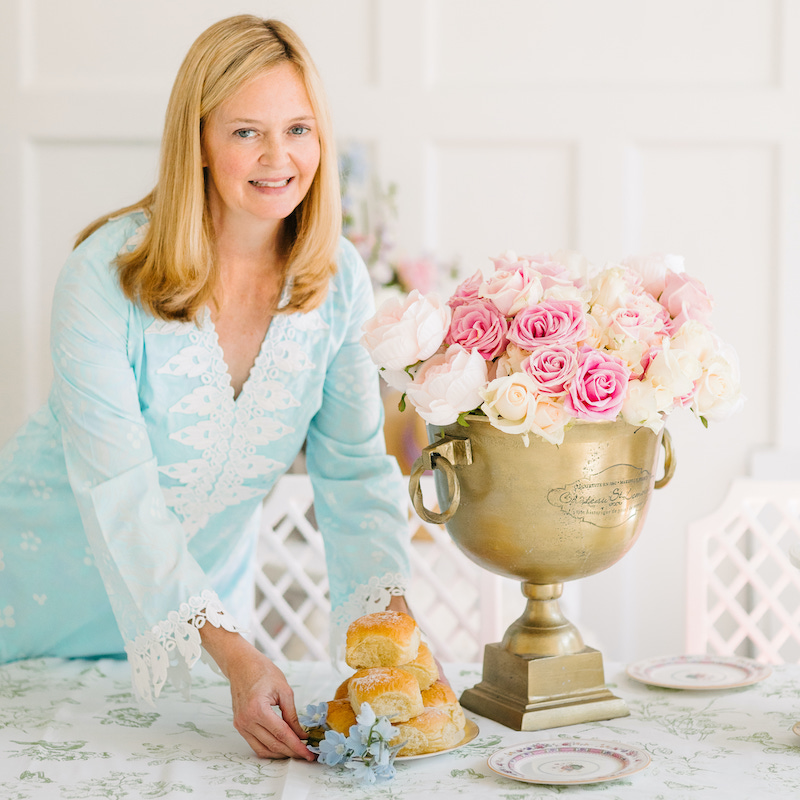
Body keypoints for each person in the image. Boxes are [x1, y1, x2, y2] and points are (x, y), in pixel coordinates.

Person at [0, 15, 414, 761]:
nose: (278, 157)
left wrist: (394, 632)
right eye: (246, 132)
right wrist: (235, 654)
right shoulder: (100, 279)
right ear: (195, 140)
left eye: (299, 129)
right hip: (30, 622)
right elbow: (119, 492)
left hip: (200, 655)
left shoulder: (338, 282)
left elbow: (353, 477)